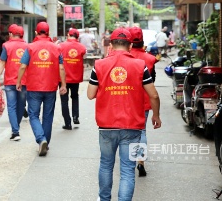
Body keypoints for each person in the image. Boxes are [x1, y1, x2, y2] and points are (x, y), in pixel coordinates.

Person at [86, 27, 162, 201]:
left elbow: (90, 95)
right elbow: (154, 95)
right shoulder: (140, 65)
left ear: (111, 45)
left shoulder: (99, 65)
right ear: (129, 46)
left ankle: (104, 199)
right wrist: (156, 116)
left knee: (106, 165)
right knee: (128, 169)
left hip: (106, 126)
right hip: (133, 126)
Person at [16, 21, 67, 156]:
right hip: (51, 87)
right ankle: (45, 142)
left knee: (33, 115)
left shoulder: (30, 47)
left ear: (35, 32)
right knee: (48, 115)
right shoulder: (56, 48)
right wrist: (63, 84)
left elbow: (22, 66)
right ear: (48, 33)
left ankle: (41, 139)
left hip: (34, 87)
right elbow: (61, 67)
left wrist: (19, 81)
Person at [128, 26, 158, 177]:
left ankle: (128, 161)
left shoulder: (124, 57)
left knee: (126, 130)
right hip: (144, 100)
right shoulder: (150, 58)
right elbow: (152, 81)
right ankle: (140, 161)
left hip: (126, 99)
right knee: (142, 131)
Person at [0, 24, 28, 141]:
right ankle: (16, 128)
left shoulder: (6, 46)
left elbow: (2, 63)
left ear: (11, 34)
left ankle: (15, 131)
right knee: (21, 106)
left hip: (10, 81)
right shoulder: (28, 46)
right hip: (24, 81)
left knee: (12, 106)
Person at [59, 28, 87, 130]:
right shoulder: (81, 47)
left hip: (63, 78)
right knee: (75, 96)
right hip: (75, 77)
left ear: (68, 35)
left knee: (64, 100)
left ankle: (68, 123)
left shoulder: (61, 46)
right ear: (77, 37)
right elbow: (83, 54)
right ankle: (75, 116)